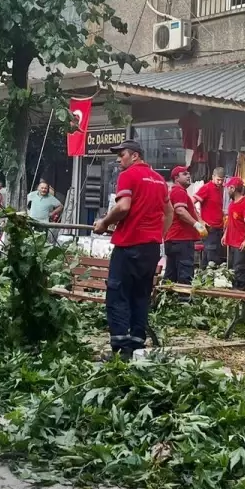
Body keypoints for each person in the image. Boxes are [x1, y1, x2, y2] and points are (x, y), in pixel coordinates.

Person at [93, 140, 171, 360]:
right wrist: (158, 235)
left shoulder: (128, 175)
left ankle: (120, 349)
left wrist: (104, 223)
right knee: (140, 295)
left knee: (118, 295)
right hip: (151, 248)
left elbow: (123, 206)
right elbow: (169, 212)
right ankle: (137, 347)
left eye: (122, 155)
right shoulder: (159, 180)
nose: (119, 160)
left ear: (135, 156)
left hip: (128, 246)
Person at [164, 166, 206, 285]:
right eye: (185, 174)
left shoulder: (176, 191)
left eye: (188, 173)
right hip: (181, 239)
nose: (189, 176)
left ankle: (167, 300)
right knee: (185, 275)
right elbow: (180, 211)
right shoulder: (178, 191)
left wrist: (200, 221)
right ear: (176, 178)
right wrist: (196, 224)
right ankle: (183, 302)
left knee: (171, 275)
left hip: (173, 239)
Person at [223, 177, 245, 291]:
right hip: (232, 242)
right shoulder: (232, 203)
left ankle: (241, 293)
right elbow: (230, 221)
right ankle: (234, 292)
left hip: (241, 243)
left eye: (228, 188)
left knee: (240, 269)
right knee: (232, 270)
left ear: (232, 188)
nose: (226, 191)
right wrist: (225, 234)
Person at [193, 167, 225, 267]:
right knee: (212, 258)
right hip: (210, 228)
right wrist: (200, 220)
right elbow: (191, 203)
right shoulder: (207, 188)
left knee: (209, 257)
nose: (220, 182)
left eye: (222, 180)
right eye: (218, 179)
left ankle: (202, 277)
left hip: (219, 228)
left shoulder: (220, 189)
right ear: (213, 177)